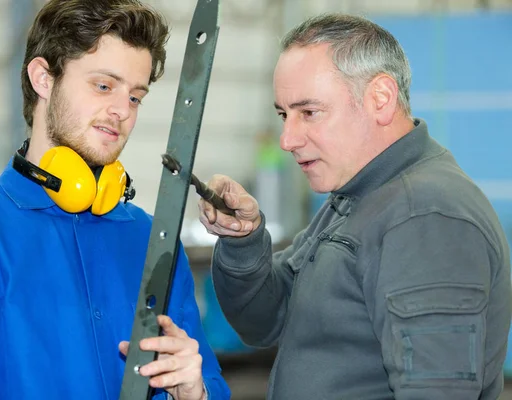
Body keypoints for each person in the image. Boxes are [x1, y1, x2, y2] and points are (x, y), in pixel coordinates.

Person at [0, 1, 230, 399]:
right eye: (103, 85)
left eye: (135, 97)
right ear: (43, 79)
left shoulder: (153, 241)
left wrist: (194, 392)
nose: (121, 111)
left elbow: (211, 384)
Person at [199, 13, 511, 400]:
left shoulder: (424, 216)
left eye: (309, 112)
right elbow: (264, 320)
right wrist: (244, 240)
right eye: (284, 114)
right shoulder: (357, 199)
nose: (287, 139)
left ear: (380, 99)